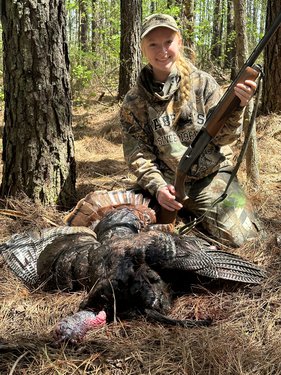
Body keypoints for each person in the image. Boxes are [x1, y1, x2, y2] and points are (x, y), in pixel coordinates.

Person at [120, 13, 261, 247]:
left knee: (245, 240)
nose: (161, 50)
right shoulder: (134, 100)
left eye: (168, 42)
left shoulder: (204, 84)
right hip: (164, 184)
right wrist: (158, 188)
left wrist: (238, 107)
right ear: (143, 49)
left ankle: (194, 214)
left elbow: (225, 138)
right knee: (120, 230)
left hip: (210, 177)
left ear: (180, 43)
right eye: (152, 44)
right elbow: (138, 154)